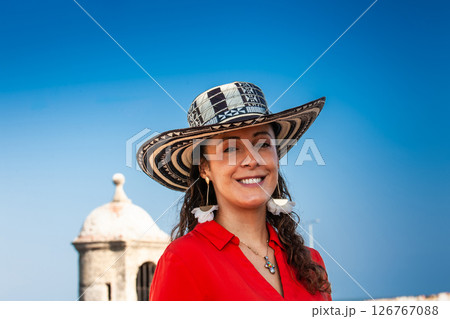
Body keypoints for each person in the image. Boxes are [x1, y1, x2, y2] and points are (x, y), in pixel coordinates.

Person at [137, 81, 332, 300]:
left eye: (263, 145)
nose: (251, 160)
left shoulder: (310, 263)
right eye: (230, 149)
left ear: (277, 156)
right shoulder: (184, 260)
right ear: (205, 168)